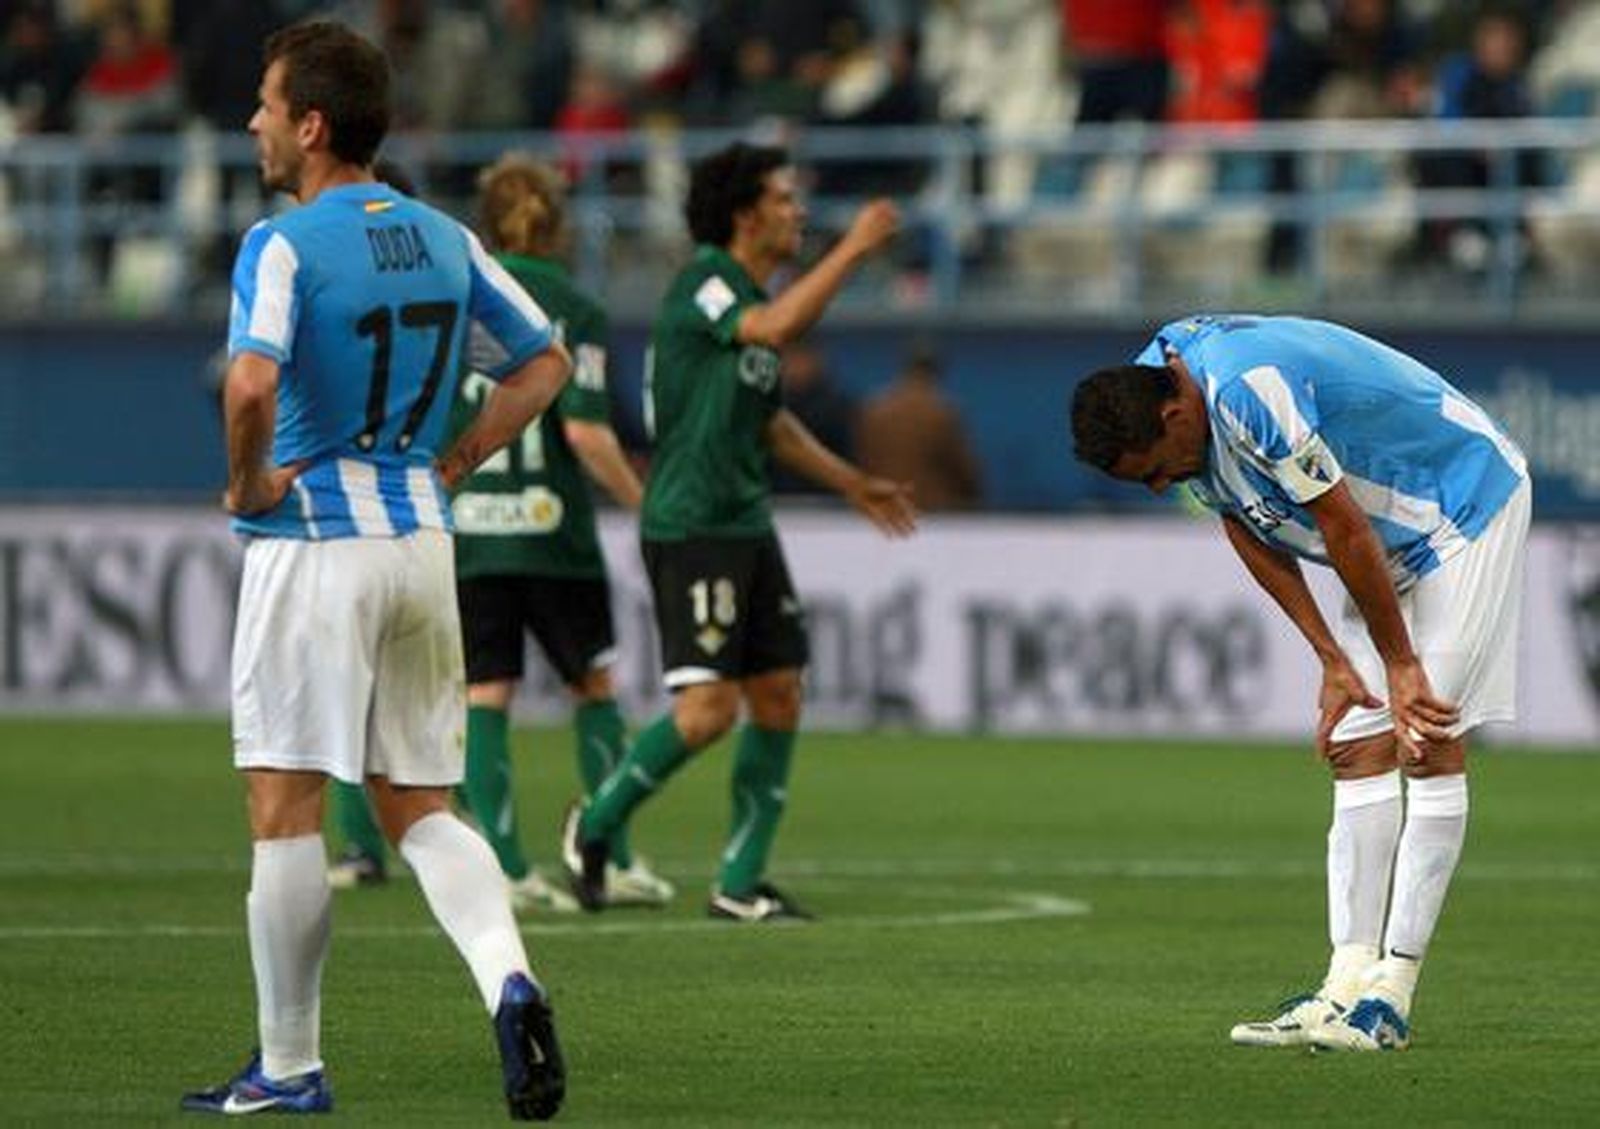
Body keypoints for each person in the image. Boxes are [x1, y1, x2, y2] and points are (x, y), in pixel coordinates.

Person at [181, 21, 571, 1119]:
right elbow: (545, 359)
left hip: (315, 542)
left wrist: (249, 482)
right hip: (420, 538)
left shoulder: (284, 243)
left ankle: (288, 1065)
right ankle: (510, 977)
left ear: (310, 125)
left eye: (264, 103)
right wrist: (459, 453)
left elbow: (249, 385)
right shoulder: (446, 237)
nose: (252, 121)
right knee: (421, 805)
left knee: (285, 802)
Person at [1070, 314, 1530, 1052]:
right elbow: (1241, 518)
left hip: (1461, 505)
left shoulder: (1252, 392)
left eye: (1154, 469)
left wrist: (1400, 663)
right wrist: (1332, 660)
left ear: (1174, 414)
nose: (1159, 487)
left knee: (1425, 736)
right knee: (1355, 747)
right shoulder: (1153, 383)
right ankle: (1342, 986)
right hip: (1387, 539)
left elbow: (1341, 527)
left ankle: (1391, 995)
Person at [560, 141, 916, 922]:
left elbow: (774, 425)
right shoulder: (708, 284)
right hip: (692, 525)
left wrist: (852, 481)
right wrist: (854, 247)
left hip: (746, 524)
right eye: (785, 199)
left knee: (782, 692)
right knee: (707, 712)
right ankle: (594, 820)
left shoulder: (746, 299)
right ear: (745, 213)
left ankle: (740, 880)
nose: (797, 212)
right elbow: (777, 325)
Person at [449, 152, 673, 913]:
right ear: (556, 224)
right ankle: (610, 857)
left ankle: (507, 869)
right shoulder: (576, 306)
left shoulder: (457, 296)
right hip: (553, 536)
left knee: (486, 693)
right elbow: (585, 433)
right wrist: (647, 506)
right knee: (593, 687)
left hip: (472, 530)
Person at [856, 344, 983, 511]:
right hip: (931, 508)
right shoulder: (942, 411)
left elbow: (863, 461)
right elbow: (963, 468)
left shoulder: (874, 408)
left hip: (885, 506)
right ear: (935, 372)